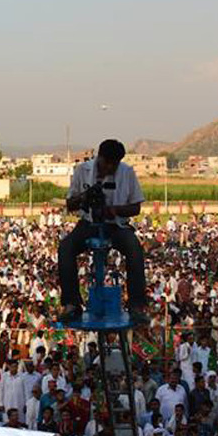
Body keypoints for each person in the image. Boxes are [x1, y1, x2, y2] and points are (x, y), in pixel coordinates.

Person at [57, 139, 148, 325]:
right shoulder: (82, 171)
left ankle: (137, 306)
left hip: (116, 225)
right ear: (100, 157)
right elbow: (70, 204)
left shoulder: (127, 172)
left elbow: (136, 207)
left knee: (134, 249)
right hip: (88, 223)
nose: (111, 168)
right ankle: (72, 303)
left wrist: (115, 210)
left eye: (115, 164)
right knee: (65, 248)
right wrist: (84, 197)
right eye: (108, 163)